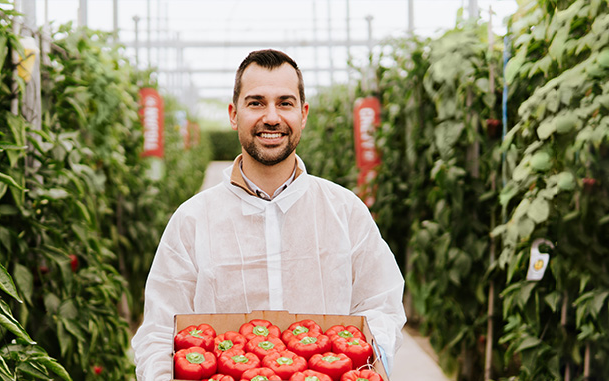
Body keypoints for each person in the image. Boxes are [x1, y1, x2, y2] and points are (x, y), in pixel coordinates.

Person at [131, 49, 406, 380]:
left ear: (303, 114)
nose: (272, 117)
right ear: (234, 114)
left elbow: (381, 307)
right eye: (256, 102)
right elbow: (160, 330)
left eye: (285, 103)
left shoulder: (345, 211)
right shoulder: (193, 220)